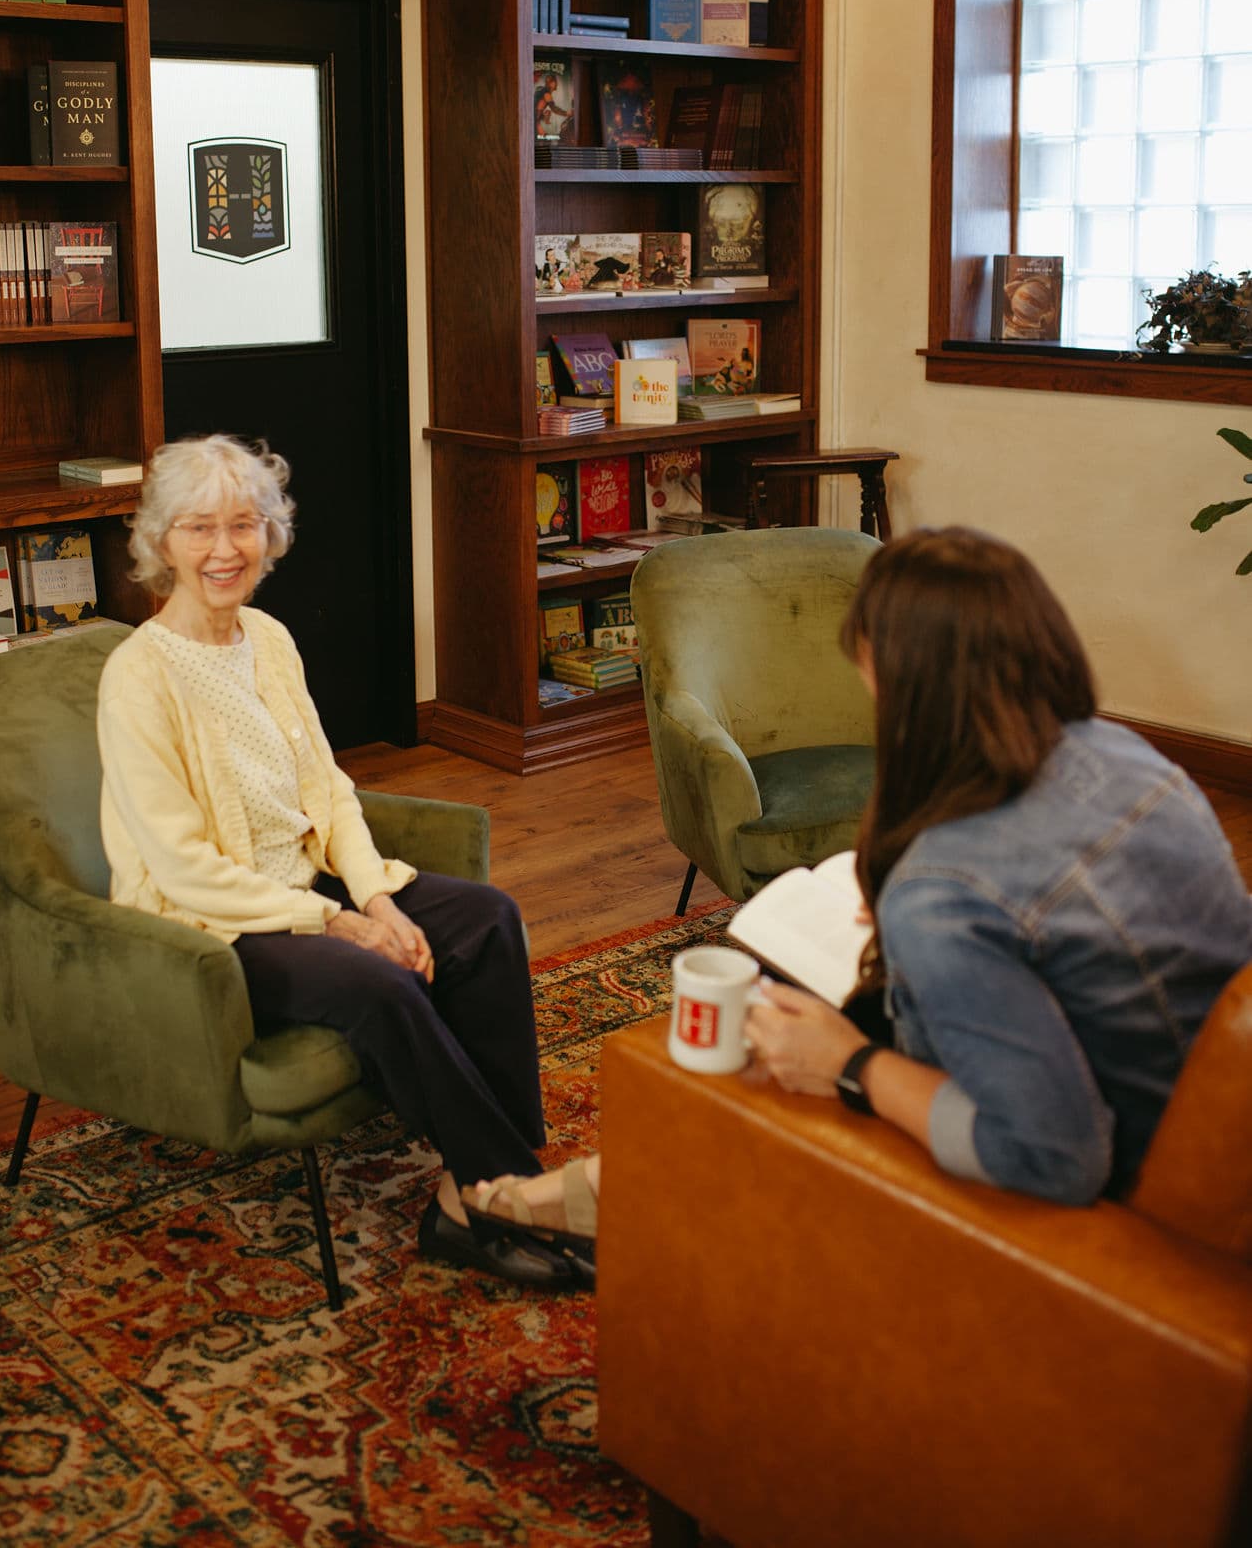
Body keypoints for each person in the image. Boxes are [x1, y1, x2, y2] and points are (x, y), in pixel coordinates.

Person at [464, 525, 1252, 1251]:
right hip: (1204, 1106)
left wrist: (850, 1067)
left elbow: (1054, 1157)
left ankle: (621, 1201)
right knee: (823, 1000)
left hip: (1133, 1177)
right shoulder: (1128, 759)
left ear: (898, 680)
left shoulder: (944, 890)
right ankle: (615, 1184)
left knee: (796, 1043)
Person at [97, 433, 580, 1290]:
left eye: (244, 525)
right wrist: (340, 922)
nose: (223, 550)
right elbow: (179, 868)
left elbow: (329, 790)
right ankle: (505, 1191)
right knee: (380, 982)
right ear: (160, 542)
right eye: (199, 528)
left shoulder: (269, 639)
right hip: (215, 929)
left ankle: (481, 1189)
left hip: (305, 883)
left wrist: (379, 900)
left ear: (269, 535)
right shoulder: (139, 676)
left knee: (487, 918)